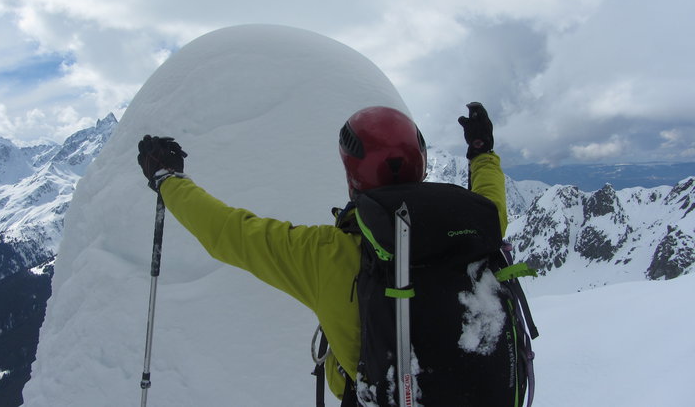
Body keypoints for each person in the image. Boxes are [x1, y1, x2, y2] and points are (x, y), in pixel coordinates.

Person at [137, 103, 508, 405]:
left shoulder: (327, 254)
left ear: (353, 174)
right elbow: (494, 203)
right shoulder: (475, 226)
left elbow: (228, 232)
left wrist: (168, 181)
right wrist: (482, 153)